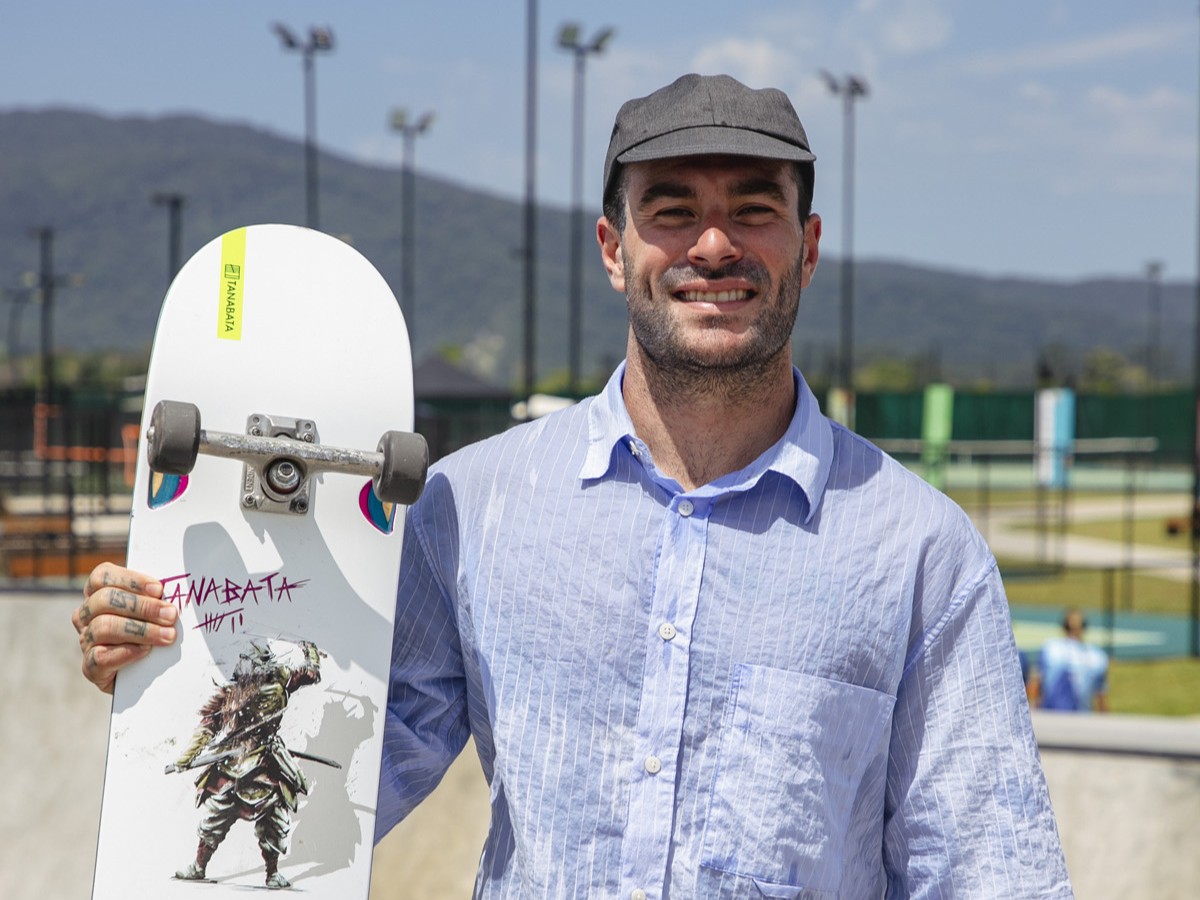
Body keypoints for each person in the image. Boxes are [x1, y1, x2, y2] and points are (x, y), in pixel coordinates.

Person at [74, 73, 1072, 897]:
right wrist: (183, 650)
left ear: (805, 249)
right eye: (672, 212)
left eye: (753, 212)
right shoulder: (474, 510)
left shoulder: (919, 554)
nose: (713, 246)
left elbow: (986, 866)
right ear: (613, 249)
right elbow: (345, 768)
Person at [166, 640, 324, 889]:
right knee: (217, 815)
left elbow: (311, 674)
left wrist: (310, 652)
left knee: (274, 817)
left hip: (267, 762)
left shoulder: (281, 682)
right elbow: (208, 726)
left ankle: (272, 873)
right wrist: (186, 758)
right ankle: (199, 866)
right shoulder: (233, 694)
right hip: (235, 763)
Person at [1037, 608, 1110, 713]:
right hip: (1064, 716)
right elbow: (1101, 699)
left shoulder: (1051, 648)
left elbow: (1036, 686)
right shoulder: (1097, 656)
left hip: (1057, 717)